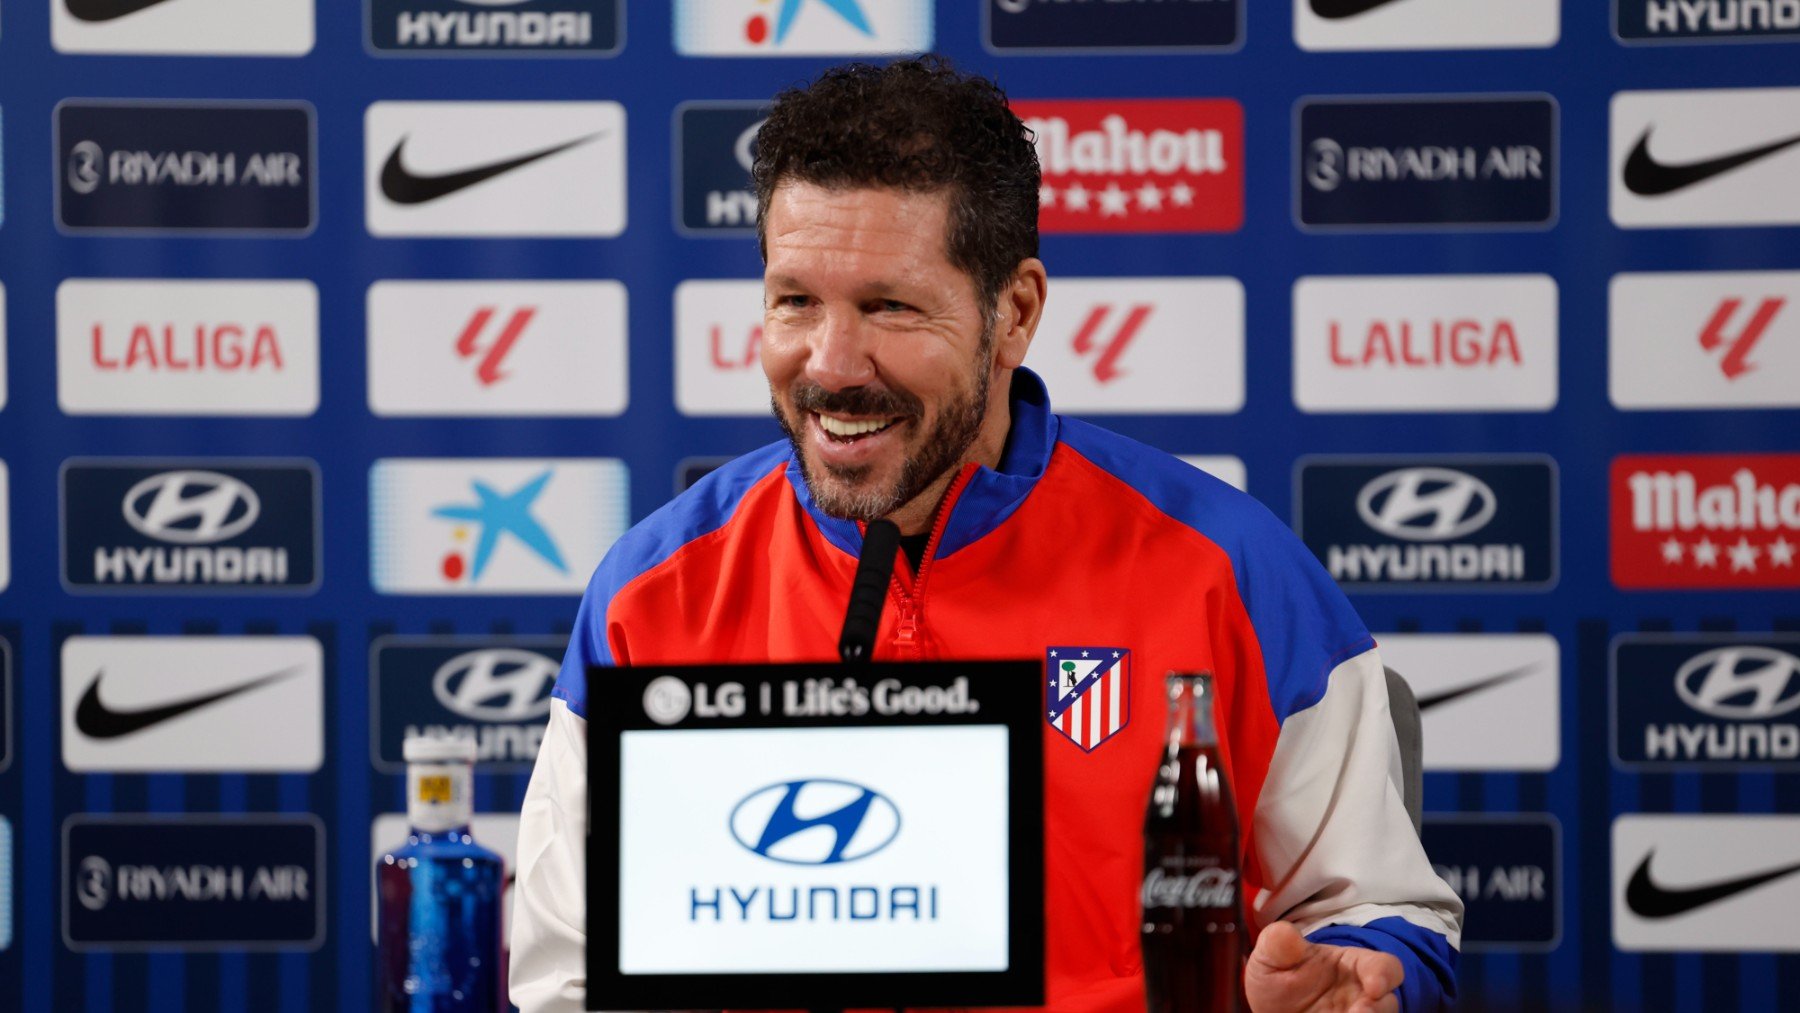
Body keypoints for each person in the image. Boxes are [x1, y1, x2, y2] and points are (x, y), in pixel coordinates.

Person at [511, 57, 1463, 1013]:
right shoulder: (654, 592)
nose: (832, 364)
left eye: (888, 305)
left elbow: (1381, 906)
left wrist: (1354, 981)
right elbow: (565, 977)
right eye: (795, 299)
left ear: (1014, 313)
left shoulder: (1230, 569)